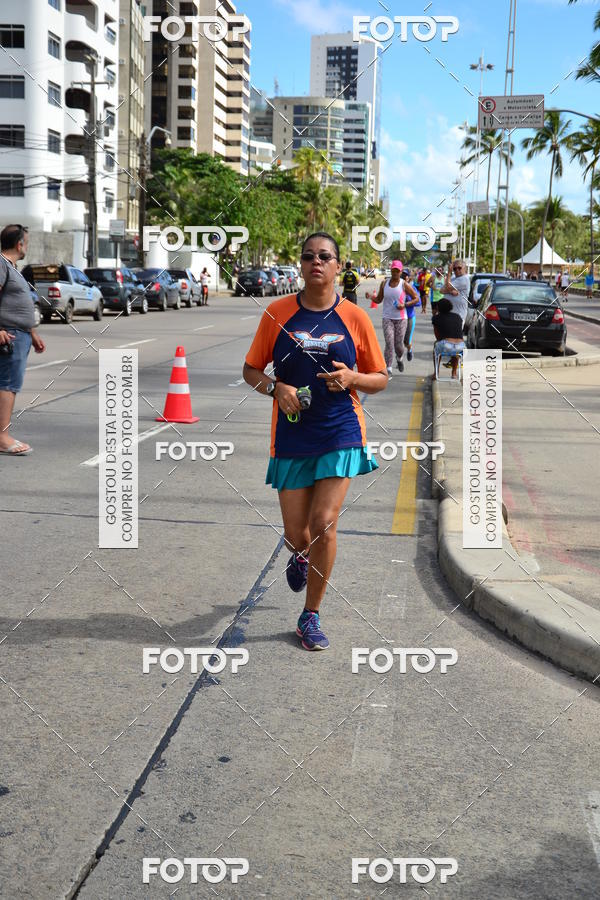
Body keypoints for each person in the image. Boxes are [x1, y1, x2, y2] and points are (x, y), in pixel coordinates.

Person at [242, 232, 388, 651]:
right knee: (297, 534)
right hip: (292, 433)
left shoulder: (354, 317)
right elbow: (251, 370)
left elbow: (380, 378)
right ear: (301, 265)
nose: (316, 262)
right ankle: (301, 555)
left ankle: (310, 615)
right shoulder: (277, 313)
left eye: (325, 256)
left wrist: (353, 378)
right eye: (309, 256)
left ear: (338, 266)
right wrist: (276, 389)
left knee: (324, 522)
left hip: (341, 430)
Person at [0, 224, 46, 455]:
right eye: (26, 242)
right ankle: (3, 438)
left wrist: (32, 333)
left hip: (20, 334)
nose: (26, 246)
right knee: (8, 385)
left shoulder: (12, 267)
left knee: (8, 384)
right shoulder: (1, 264)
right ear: (19, 244)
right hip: (9, 335)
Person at [373, 259, 419, 374]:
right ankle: (388, 367)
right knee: (389, 343)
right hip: (387, 318)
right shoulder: (384, 283)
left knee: (399, 345)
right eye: (393, 270)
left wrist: (405, 305)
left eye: (397, 271)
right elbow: (379, 299)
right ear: (391, 270)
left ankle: (399, 358)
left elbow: (416, 298)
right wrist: (371, 297)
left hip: (401, 319)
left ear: (400, 272)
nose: (395, 273)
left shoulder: (404, 284)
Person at [432, 297, 464, 380]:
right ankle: (454, 373)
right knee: (455, 351)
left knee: (436, 345)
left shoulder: (436, 318)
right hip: (461, 347)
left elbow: (438, 337)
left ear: (438, 308)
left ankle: (436, 373)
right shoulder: (457, 316)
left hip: (447, 345)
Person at [440, 258, 470, 326]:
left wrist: (449, 272)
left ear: (465, 268)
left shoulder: (464, 279)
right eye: (454, 268)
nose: (457, 270)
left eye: (459, 268)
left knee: (454, 333)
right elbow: (441, 290)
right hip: (449, 314)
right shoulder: (453, 278)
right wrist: (451, 292)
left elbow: (447, 286)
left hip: (458, 315)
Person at [402, 270, 421, 362]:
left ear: (408, 278)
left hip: (409, 317)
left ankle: (409, 349)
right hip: (399, 317)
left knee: (406, 341)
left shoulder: (412, 288)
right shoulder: (396, 288)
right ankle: (399, 359)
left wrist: (407, 303)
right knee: (397, 340)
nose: (404, 277)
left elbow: (418, 302)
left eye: (406, 275)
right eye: (402, 275)